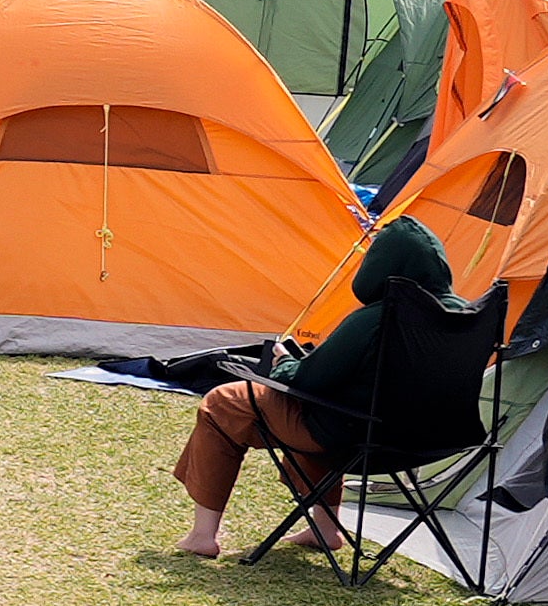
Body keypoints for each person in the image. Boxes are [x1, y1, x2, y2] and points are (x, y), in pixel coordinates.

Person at [171, 219, 461, 560]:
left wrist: (285, 364)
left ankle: (203, 535)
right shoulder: (463, 316)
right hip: (428, 443)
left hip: (355, 436)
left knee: (224, 402)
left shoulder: (376, 318)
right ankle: (325, 527)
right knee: (326, 408)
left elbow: (310, 380)